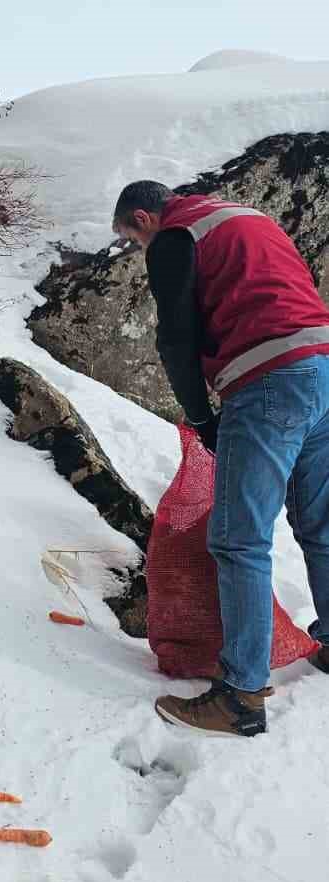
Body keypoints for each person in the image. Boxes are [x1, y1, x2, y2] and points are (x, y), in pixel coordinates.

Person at [112, 179, 329, 737]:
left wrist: (200, 416)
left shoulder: (175, 236)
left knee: (239, 541)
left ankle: (240, 697)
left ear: (144, 217)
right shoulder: (244, 217)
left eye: (133, 239)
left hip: (268, 380)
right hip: (322, 368)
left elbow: (175, 338)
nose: (139, 249)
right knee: (321, 525)